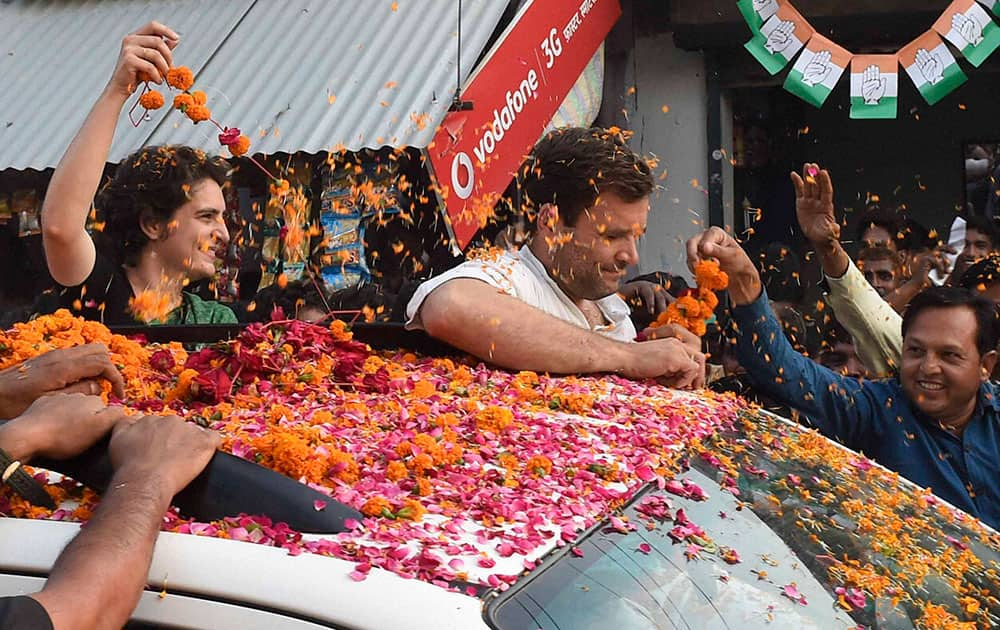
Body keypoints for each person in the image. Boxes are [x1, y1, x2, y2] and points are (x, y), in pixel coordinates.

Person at [687, 225, 1000, 530]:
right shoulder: (877, 409)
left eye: (949, 355)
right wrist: (745, 280)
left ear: (986, 365)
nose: (928, 367)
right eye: (916, 351)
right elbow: (782, 369)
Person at [406, 127, 704, 387]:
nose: (632, 256)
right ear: (550, 222)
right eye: (611, 236)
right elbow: (450, 306)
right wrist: (627, 356)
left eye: (636, 235)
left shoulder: (605, 303)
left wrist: (652, 357)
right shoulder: (513, 277)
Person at [41, 22, 237, 326]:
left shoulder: (215, 320)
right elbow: (60, 229)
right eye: (207, 216)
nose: (223, 234)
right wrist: (118, 90)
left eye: (222, 218)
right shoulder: (100, 292)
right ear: (153, 224)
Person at [948, 216, 1000, 286]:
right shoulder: (937, 285)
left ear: (995, 251)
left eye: (980, 246)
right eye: (964, 245)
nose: (971, 253)